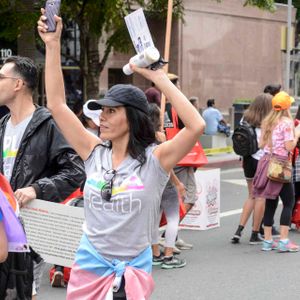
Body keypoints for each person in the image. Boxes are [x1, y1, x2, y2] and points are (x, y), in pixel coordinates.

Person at [37, 12, 205, 300]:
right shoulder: (93, 152)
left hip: (131, 275)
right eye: (102, 110)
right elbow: (56, 104)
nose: (102, 117)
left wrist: (158, 78)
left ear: (134, 118)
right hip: (88, 269)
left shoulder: (156, 159)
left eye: (111, 111)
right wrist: (52, 45)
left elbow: (196, 126)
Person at [0, 55, 86, 296]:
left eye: (0, 77)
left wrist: (36, 188)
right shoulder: (3, 124)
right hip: (1, 226)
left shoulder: (48, 124)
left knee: (25, 290)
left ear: (18, 84)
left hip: (31, 226)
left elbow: (75, 171)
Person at [253, 91, 300, 252]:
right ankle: (284, 241)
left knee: (271, 202)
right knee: (288, 202)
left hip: (266, 162)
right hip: (280, 165)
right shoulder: (287, 123)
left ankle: (267, 241)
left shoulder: (267, 121)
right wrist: (297, 134)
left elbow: (261, 144)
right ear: (287, 107)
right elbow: (289, 147)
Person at [231, 93, 272, 244]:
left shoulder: (245, 118)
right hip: (262, 161)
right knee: (261, 197)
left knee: (251, 196)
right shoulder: (269, 121)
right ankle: (255, 234)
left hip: (248, 160)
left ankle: (238, 231)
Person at [149, 103, 186, 269]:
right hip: (164, 182)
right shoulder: (160, 138)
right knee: (172, 219)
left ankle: (155, 253)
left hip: (150, 184)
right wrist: (177, 183)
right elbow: (166, 165)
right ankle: (169, 256)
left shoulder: (139, 137)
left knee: (154, 219)